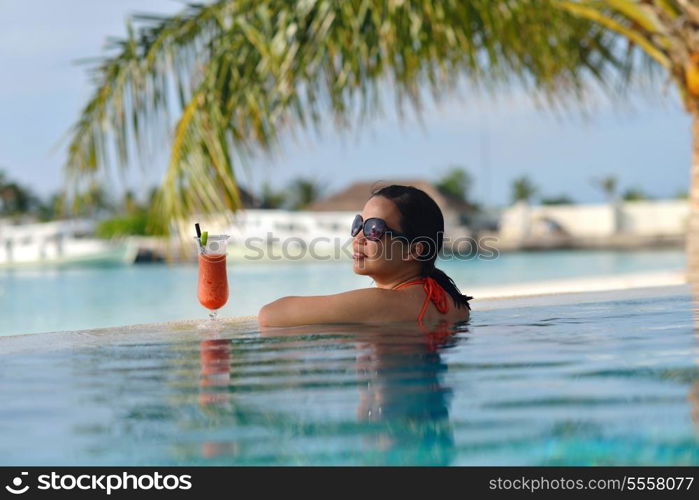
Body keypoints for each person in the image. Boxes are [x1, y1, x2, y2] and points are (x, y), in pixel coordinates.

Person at [258, 184, 473, 327]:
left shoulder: (381, 303)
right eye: (358, 224)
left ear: (414, 250)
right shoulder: (453, 303)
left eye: (374, 229)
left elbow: (269, 315)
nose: (358, 237)